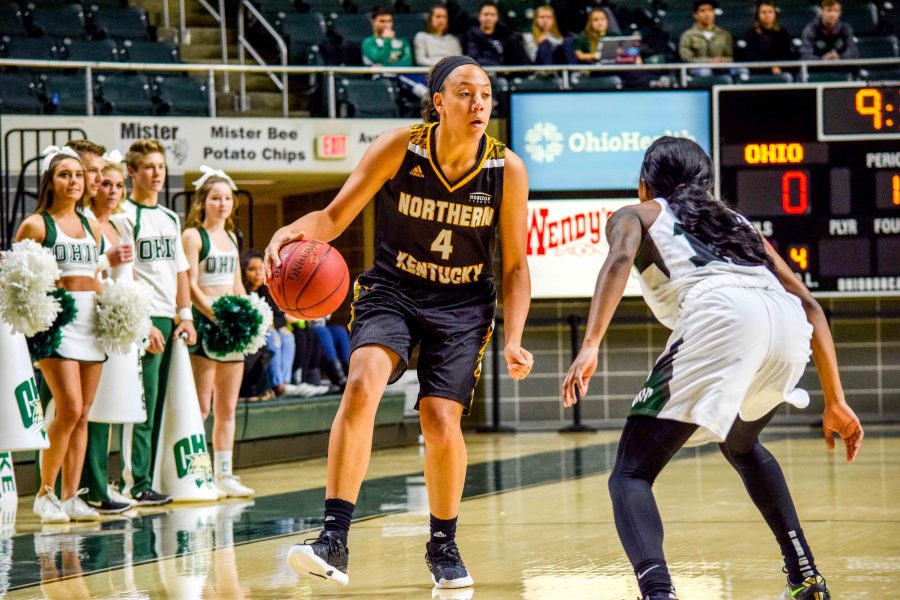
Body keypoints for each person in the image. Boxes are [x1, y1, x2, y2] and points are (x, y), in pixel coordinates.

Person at [265, 56, 533, 589]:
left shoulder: (508, 168)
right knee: (362, 382)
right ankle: (333, 539)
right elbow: (335, 217)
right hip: (394, 289)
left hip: (462, 305)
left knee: (439, 419)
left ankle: (443, 544)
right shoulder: (400, 147)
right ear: (438, 102)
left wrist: (516, 338)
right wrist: (292, 231)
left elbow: (517, 266)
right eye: (463, 93)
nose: (477, 102)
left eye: (484, 94)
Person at [561, 137, 864, 600]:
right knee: (741, 445)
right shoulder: (740, 224)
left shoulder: (637, 214)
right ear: (706, 184)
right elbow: (809, 305)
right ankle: (805, 576)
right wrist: (836, 399)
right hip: (785, 326)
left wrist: (590, 345)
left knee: (631, 473)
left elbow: (620, 259)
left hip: (724, 315)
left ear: (644, 185)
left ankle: (658, 592)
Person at [17, 148, 106, 523]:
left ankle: (71, 496)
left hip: (92, 324)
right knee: (68, 407)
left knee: (84, 414)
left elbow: (97, 278)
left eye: (78, 175)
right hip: (57, 324)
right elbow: (16, 278)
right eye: (65, 175)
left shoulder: (93, 226)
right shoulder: (37, 225)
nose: (73, 181)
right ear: (50, 182)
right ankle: (45, 493)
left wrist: (114, 310)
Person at [114, 139, 196, 506]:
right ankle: (134, 482)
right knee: (141, 406)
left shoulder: (170, 217)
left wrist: (186, 314)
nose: (157, 173)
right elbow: (126, 272)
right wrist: (141, 322)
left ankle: (148, 478)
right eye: (148, 167)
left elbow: (181, 270)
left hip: (169, 318)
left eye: (160, 166)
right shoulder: (123, 215)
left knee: (159, 404)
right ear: (132, 172)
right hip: (142, 319)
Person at [182, 167, 254, 498]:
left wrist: (247, 315)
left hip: (230, 325)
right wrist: (215, 315)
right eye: (216, 198)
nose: (223, 204)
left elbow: (238, 283)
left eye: (227, 198)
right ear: (203, 202)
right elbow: (191, 284)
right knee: (202, 407)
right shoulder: (194, 237)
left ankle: (224, 472)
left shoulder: (232, 236)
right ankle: (198, 473)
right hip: (207, 325)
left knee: (227, 407)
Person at [79, 149, 137, 514]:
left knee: (111, 405)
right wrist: (106, 260)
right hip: (88, 318)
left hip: (117, 321)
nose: (113, 190)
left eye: (118, 185)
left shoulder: (122, 224)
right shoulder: (84, 221)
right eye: (105, 183)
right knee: (87, 409)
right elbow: (86, 269)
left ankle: (104, 482)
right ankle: (89, 486)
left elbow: (130, 277)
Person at [463, 1, 529, 66]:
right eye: (486, 14)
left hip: (508, 74)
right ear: (479, 16)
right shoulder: (471, 35)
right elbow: (474, 57)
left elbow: (521, 59)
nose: (489, 18)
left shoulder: (506, 34)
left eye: (492, 15)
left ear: (497, 17)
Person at [738, 1, 794, 70]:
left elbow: (786, 54)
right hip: (758, 70)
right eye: (763, 12)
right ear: (757, 15)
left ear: (775, 14)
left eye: (770, 12)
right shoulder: (751, 34)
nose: (767, 15)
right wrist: (769, 67)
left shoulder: (783, 33)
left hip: (780, 70)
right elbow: (751, 56)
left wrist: (777, 66)